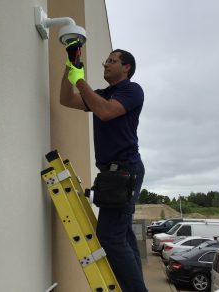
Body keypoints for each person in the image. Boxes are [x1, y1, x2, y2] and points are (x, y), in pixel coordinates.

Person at [60, 43, 148, 292]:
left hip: (125, 170)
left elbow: (106, 112)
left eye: (111, 61)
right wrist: (70, 69)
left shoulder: (131, 90)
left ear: (126, 67)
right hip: (113, 172)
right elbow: (65, 99)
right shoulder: (101, 93)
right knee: (123, 236)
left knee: (110, 237)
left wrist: (80, 81)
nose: (105, 64)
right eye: (105, 61)